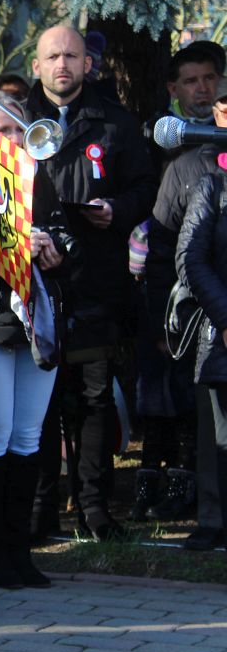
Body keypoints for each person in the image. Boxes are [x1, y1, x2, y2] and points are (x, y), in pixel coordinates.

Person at [23, 25, 159, 542]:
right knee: (39, 403)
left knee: (95, 399)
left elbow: (145, 187)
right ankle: (39, 509)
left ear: (87, 64)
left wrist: (117, 209)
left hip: (96, 281)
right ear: (37, 65)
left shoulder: (115, 122)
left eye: (71, 56)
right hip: (35, 283)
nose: (62, 64)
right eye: (52, 56)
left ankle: (95, 509)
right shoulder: (13, 121)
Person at [0, 92, 73, 591]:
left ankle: (20, 552)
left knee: (28, 437)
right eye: (3, 129)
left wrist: (54, 249)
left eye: (18, 129)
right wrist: (9, 249)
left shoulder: (39, 177)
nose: (13, 139)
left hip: (37, 324)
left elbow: (66, 234)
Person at [145, 78, 227, 551]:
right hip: (218, 325)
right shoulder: (204, 178)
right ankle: (214, 518)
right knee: (216, 429)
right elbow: (187, 258)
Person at [174, 161, 227, 559]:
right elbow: (190, 258)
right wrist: (225, 317)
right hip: (222, 336)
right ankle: (215, 521)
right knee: (220, 441)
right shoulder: (212, 186)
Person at [147, 43, 223, 169]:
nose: (203, 88)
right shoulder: (157, 131)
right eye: (191, 81)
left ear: (220, 81)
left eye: (209, 78)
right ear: (173, 89)